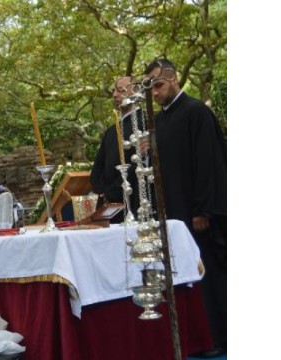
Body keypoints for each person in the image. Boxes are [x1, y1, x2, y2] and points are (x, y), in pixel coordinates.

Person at [144, 59, 227, 357]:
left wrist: (203, 210)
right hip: (173, 216)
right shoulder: (161, 121)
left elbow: (209, 163)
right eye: (151, 88)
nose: (154, 92)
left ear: (174, 78)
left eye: (158, 85)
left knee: (209, 273)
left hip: (197, 215)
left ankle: (219, 337)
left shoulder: (196, 112)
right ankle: (197, 338)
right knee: (184, 277)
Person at [90, 75, 144, 223]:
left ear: (135, 92)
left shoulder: (143, 123)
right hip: (109, 206)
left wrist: (114, 191)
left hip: (134, 201)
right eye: (114, 90)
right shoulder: (110, 131)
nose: (114, 95)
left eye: (121, 91)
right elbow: (98, 167)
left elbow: (139, 162)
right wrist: (102, 191)